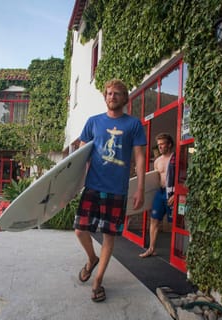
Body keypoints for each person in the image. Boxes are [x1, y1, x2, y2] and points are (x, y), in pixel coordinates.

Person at [74, 79, 146, 302]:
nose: (112, 96)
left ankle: (97, 282)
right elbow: (80, 153)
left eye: (117, 93)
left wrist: (140, 188)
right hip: (93, 185)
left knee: (109, 237)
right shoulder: (93, 122)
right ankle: (91, 259)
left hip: (117, 190)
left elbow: (140, 158)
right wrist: (72, 184)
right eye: (108, 93)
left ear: (125, 98)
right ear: (105, 97)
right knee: (79, 230)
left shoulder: (133, 125)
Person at [139, 132, 175, 258]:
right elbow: (155, 179)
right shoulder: (157, 161)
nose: (160, 147)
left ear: (169, 144)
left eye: (162, 144)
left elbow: (183, 178)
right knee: (154, 220)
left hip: (173, 193)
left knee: (175, 223)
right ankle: (151, 249)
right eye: (158, 144)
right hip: (160, 193)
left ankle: (179, 254)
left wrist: (176, 195)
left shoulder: (176, 159)